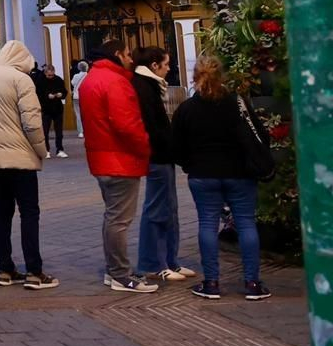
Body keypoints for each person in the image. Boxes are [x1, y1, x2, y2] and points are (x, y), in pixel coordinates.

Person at [171, 55, 272, 301]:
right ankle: (252, 283)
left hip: (203, 174)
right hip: (240, 173)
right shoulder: (237, 103)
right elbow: (259, 135)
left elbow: (176, 147)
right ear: (222, 75)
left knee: (207, 224)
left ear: (195, 77)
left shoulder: (187, 108)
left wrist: (190, 164)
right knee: (246, 223)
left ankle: (212, 283)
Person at [0, 40, 56, 290]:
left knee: (2, 211)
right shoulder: (21, 80)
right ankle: (34, 271)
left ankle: (5, 269)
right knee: (29, 212)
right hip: (21, 158)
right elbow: (32, 123)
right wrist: (42, 151)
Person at [78, 38, 156, 293]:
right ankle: (122, 274)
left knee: (112, 217)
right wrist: (145, 146)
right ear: (117, 54)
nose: (131, 59)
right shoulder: (115, 81)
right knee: (120, 220)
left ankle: (114, 271)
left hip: (101, 158)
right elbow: (127, 124)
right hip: (120, 159)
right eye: (127, 54)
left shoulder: (92, 79)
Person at [132, 47, 195, 283]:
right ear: (155, 65)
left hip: (162, 155)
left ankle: (170, 260)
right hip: (157, 156)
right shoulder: (144, 87)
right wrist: (168, 146)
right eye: (166, 64)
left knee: (169, 208)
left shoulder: (150, 85)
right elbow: (152, 126)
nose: (169, 68)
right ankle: (153, 263)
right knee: (157, 209)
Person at [38, 65, 68, 158]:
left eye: (52, 75)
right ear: (45, 73)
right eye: (49, 75)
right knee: (45, 131)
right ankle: (46, 150)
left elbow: (64, 91)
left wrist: (61, 94)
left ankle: (60, 149)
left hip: (57, 108)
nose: (51, 77)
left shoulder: (58, 80)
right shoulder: (40, 81)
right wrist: (47, 96)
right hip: (46, 109)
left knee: (59, 131)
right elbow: (38, 94)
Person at [71, 60, 91, 139]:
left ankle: (80, 132)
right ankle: (88, 130)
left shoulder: (76, 76)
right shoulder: (89, 75)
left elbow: (72, 83)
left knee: (78, 114)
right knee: (87, 114)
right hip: (86, 97)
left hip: (76, 96)